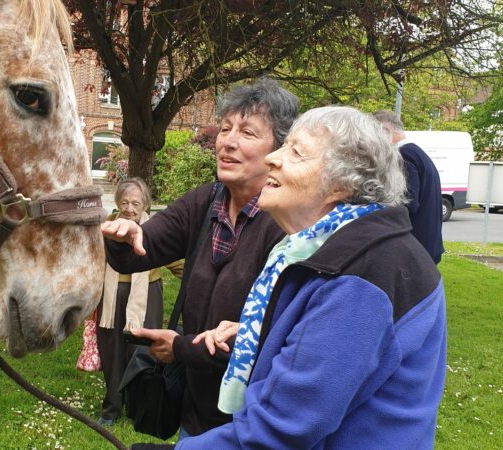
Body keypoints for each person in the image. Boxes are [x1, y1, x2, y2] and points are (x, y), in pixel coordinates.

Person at [166, 106, 446, 449]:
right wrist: (261, 332)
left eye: (296, 152)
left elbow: (282, 430)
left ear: (341, 184)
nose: (272, 158)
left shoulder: (363, 275)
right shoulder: (330, 247)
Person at [101, 78, 297, 437]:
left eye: (248, 133)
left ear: (279, 150)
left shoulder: (286, 223)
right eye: (225, 129)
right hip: (194, 412)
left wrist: (179, 349)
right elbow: (138, 252)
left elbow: (271, 336)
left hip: (252, 420)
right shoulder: (206, 202)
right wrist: (126, 237)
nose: (229, 141)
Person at [95, 177, 183, 426]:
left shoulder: (153, 229)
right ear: (117, 203)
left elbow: (175, 260)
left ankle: (138, 406)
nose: (130, 209)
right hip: (111, 297)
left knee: (142, 349)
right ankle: (111, 408)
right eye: (125, 202)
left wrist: (199, 279)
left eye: (136, 203)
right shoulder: (106, 227)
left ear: (145, 204)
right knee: (111, 351)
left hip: (147, 296)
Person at [373, 110, 444, 263]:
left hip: (417, 247)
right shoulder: (416, 153)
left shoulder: (403, 155)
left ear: (385, 131)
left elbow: (408, 202)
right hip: (427, 244)